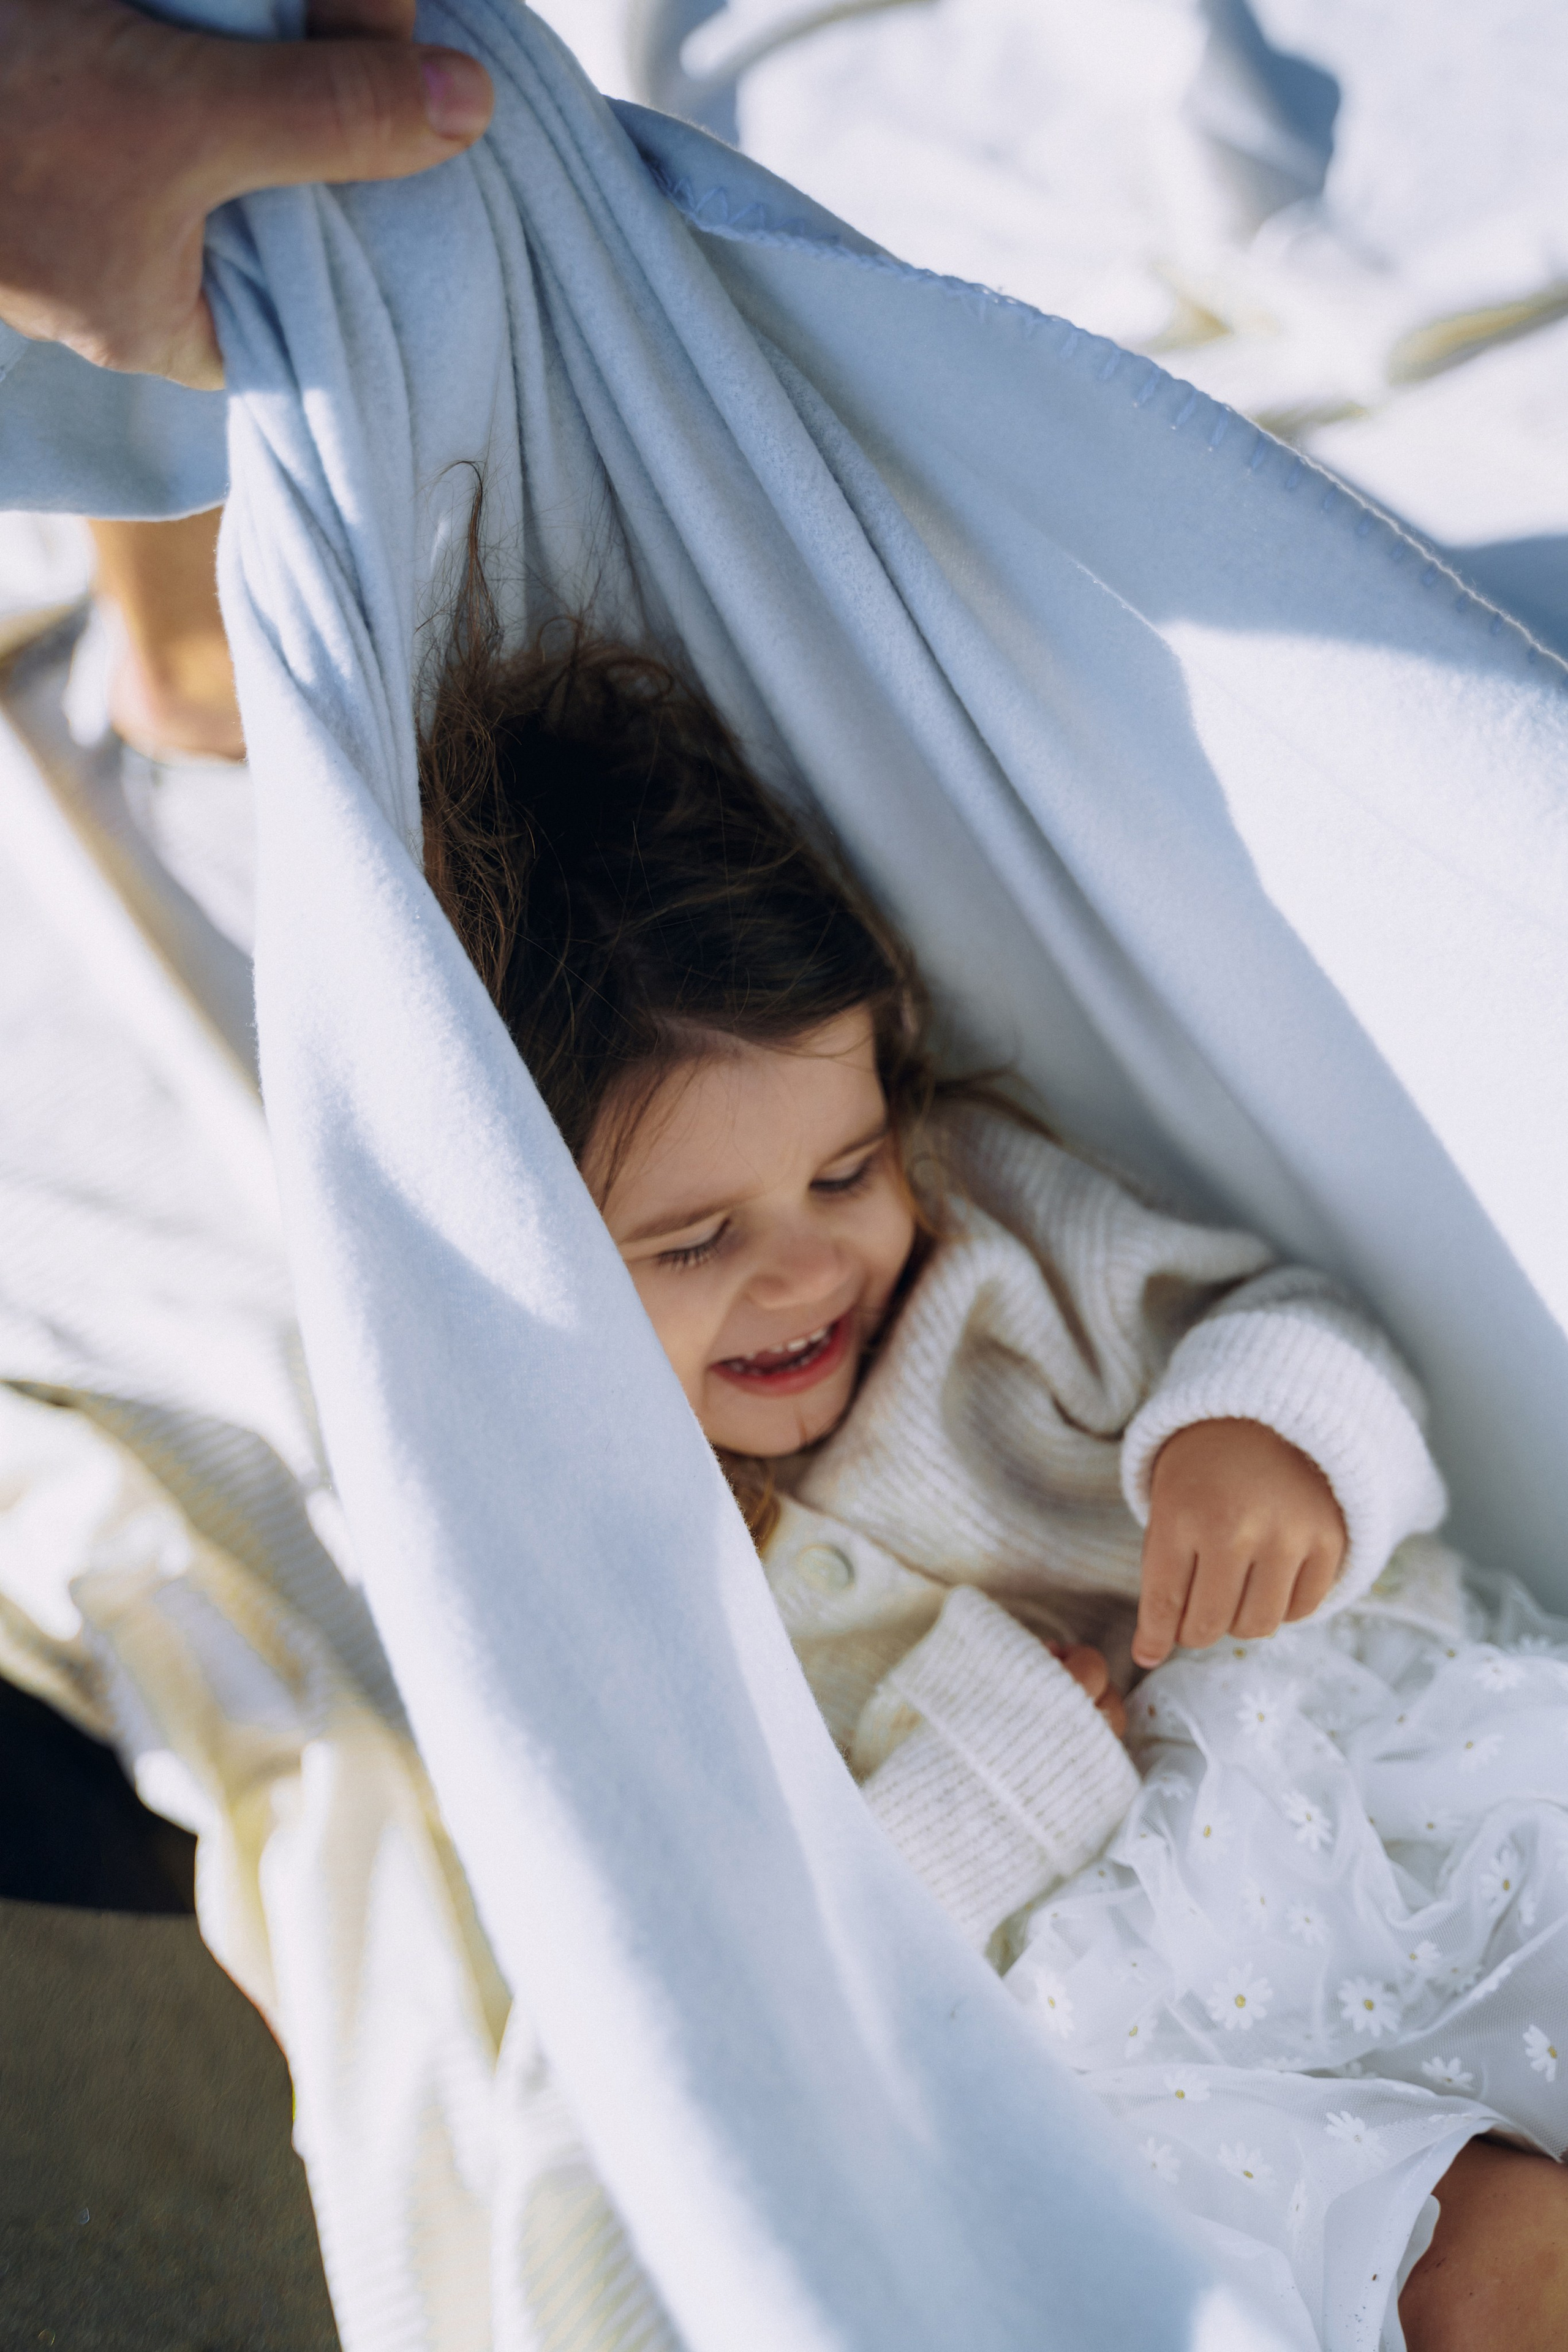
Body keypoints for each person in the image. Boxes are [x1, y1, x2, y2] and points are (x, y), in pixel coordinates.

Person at [417, 576, 1568, 2352]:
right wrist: (1003, 1784)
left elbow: (1297, 1323)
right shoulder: (611, 1569)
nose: (808, 1269)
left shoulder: (991, 1239)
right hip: (1139, 2033)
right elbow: (746, 1964)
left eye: (844, 1171)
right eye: (695, 1243)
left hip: (1366, 1796)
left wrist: (1260, 1435)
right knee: (1480, 2277)